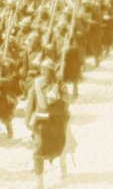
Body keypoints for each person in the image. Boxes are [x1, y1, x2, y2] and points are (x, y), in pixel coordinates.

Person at [25, 59, 70, 189]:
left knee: (61, 149)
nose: (43, 72)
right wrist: (27, 120)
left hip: (56, 124)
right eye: (42, 69)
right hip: (40, 124)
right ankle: (39, 182)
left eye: (46, 69)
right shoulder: (37, 83)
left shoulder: (60, 85)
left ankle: (63, 166)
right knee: (38, 151)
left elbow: (66, 103)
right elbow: (30, 102)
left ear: (52, 71)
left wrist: (56, 99)